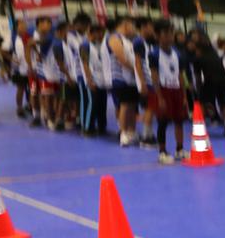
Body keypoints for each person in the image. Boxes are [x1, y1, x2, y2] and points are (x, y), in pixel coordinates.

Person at [147, 20, 189, 165]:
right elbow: (154, 76)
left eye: (171, 33)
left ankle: (180, 149)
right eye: (165, 33)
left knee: (179, 120)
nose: (169, 36)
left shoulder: (179, 53)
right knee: (163, 122)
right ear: (157, 36)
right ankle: (162, 152)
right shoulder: (154, 54)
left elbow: (180, 76)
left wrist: (184, 95)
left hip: (176, 89)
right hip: (163, 90)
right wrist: (159, 97)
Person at [108, 16, 141, 146]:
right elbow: (121, 58)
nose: (134, 30)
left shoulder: (128, 40)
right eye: (132, 26)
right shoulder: (114, 38)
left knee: (133, 106)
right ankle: (123, 133)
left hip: (132, 78)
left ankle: (132, 131)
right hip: (121, 78)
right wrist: (136, 70)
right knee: (125, 106)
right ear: (126, 25)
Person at [79, 20, 111, 136]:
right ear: (93, 33)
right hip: (91, 79)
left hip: (101, 79)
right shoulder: (85, 45)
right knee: (91, 103)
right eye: (100, 32)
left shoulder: (101, 45)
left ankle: (102, 126)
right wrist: (89, 80)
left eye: (103, 32)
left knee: (102, 104)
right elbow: (85, 64)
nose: (102, 35)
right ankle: (87, 127)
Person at [6, 19, 31, 118]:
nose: (24, 27)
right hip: (19, 68)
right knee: (21, 88)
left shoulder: (29, 36)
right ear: (17, 27)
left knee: (31, 88)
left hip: (30, 67)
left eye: (25, 25)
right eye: (22, 25)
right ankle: (19, 108)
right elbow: (3, 51)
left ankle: (30, 106)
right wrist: (13, 59)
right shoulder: (11, 38)